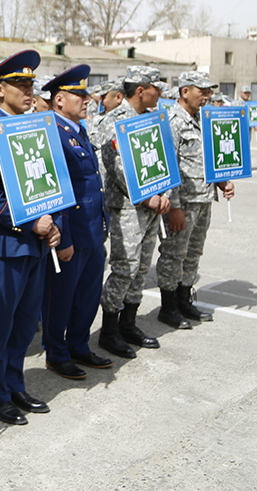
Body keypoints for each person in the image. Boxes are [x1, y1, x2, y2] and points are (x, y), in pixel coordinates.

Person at [0, 50, 62, 426]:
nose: (28, 91)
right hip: (8, 246)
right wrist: (30, 224)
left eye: (30, 84)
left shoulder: (37, 129)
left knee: (25, 323)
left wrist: (54, 224)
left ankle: (15, 383)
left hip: (37, 244)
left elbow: (50, 183)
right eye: (20, 84)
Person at [39, 65, 115, 380]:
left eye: (87, 95)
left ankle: (79, 345)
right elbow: (55, 189)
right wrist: (64, 238)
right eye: (79, 95)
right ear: (59, 100)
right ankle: (56, 353)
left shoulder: (78, 129)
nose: (87, 100)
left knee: (87, 295)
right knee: (60, 297)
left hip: (92, 229)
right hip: (72, 232)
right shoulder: (51, 132)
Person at [95, 66, 172, 358]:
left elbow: (163, 160)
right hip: (127, 206)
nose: (160, 93)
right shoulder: (114, 121)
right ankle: (109, 331)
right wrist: (147, 196)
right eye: (156, 88)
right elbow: (116, 166)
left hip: (152, 206)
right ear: (141, 90)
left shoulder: (152, 119)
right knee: (125, 267)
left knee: (141, 268)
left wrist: (164, 194)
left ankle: (128, 324)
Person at [157, 71, 235, 328]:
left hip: (204, 198)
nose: (207, 96)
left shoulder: (204, 120)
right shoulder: (171, 122)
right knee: (173, 253)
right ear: (185, 92)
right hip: (183, 203)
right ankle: (168, 307)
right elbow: (169, 167)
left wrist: (223, 181)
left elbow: (210, 157)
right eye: (202, 91)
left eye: (209, 91)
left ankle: (184, 301)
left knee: (193, 253)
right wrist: (174, 207)